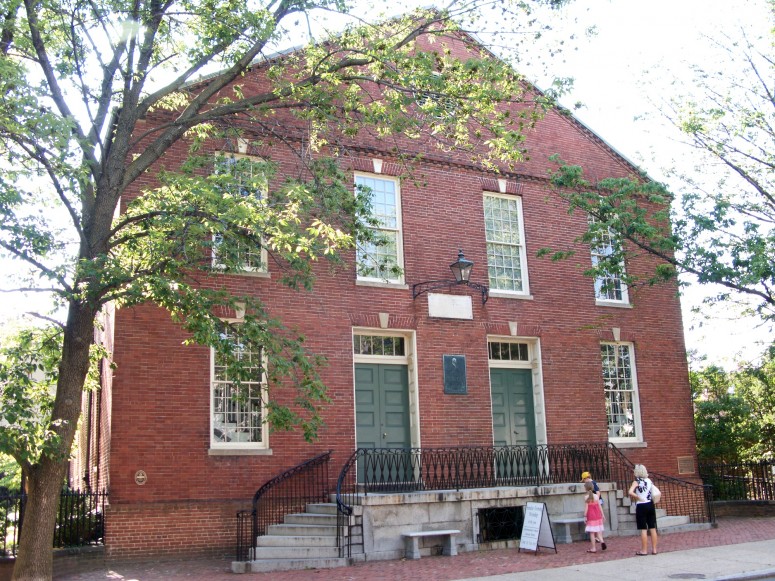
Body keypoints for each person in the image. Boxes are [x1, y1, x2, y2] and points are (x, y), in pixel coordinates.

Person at [628, 463, 658, 555]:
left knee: (643, 529)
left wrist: (638, 497)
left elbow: (630, 492)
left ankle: (644, 550)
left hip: (641, 505)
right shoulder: (649, 481)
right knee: (652, 527)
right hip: (650, 504)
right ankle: (654, 549)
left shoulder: (636, 482)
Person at [583, 480, 606, 552]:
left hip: (591, 516)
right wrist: (603, 515)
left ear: (586, 489)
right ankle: (602, 541)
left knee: (592, 533)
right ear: (593, 488)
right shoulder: (596, 496)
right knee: (598, 531)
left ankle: (593, 548)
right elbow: (599, 506)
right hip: (597, 515)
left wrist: (585, 516)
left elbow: (586, 508)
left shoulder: (586, 497)